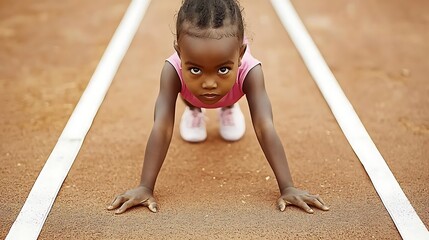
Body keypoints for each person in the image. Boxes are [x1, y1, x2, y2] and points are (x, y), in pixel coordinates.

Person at [108, 0, 329, 214]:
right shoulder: (171, 70)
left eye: (223, 69)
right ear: (179, 53)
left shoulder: (251, 72)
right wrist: (145, 186)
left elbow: (264, 125)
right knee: (195, 90)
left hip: (231, 91)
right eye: (195, 69)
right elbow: (162, 126)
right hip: (192, 96)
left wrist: (287, 187)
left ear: (241, 55)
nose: (209, 82)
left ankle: (229, 107)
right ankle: (194, 110)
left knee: (223, 92)